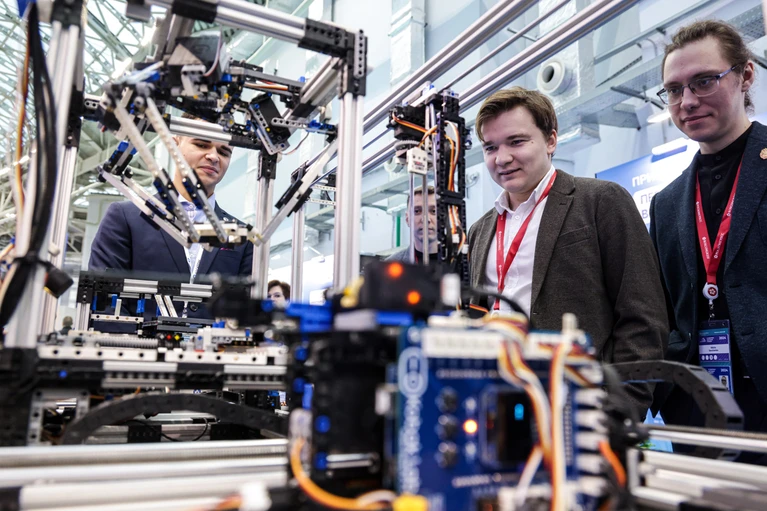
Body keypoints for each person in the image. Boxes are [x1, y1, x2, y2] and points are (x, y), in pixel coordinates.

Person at [467, 87, 668, 414]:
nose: (502, 158)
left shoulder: (601, 202)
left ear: (551, 141)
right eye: (491, 147)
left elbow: (643, 315)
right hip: (495, 406)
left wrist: (622, 410)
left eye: (516, 142)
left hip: (579, 407)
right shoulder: (480, 231)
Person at [650, 20, 767, 440]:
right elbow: (663, 307)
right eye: (674, 90)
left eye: (703, 82)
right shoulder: (666, 203)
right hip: (699, 412)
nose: (687, 101)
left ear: (745, 75)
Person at [89, 133, 253, 316]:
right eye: (201, 144)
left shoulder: (241, 235)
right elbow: (103, 302)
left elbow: (243, 309)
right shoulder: (126, 217)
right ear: (173, 145)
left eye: (224, 152)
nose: (214, 157)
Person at [387, 185, 439, 264]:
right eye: (417, 211)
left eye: (433, 211)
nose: (426, 219)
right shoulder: (391, 265)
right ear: (407, 219)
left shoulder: (457, 263)